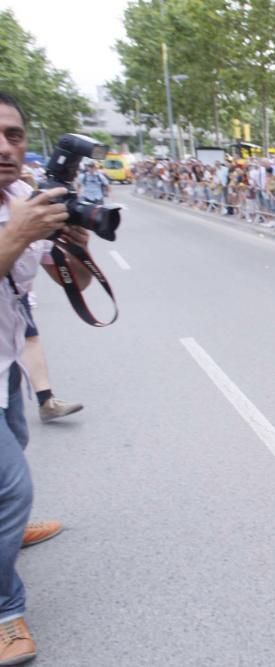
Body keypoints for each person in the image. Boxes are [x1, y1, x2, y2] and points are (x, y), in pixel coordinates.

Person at [0, 91, 98, 665]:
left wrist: (77, 246)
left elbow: (76, 287)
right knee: (11, 486)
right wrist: (19, 232)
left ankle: (7, 531)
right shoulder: (20, 212)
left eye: (13, 134)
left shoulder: (22, 198)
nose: (5, 147)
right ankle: (6, 612)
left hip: (6, 361)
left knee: (16, 447)